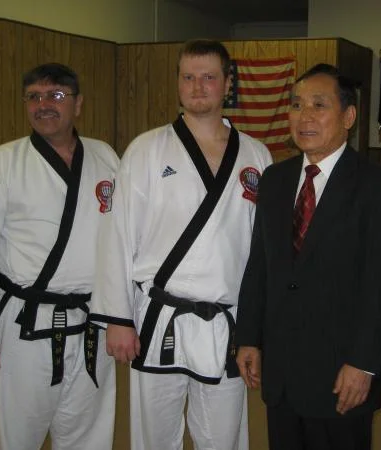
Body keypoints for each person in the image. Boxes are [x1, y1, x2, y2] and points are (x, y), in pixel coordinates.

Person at [90, 39, 272, 450]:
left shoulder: (257, 157)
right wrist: (117, 318)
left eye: (209, 77)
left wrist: (256, 332)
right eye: (188, 77)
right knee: (154, 438)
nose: (198, 86)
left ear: (228, 83)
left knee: (223, 438)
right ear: (177, 83)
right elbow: (117, 235)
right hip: (158, 316)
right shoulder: (147, 149)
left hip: (225, 321)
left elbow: (264, 254)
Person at [235, 63, 381, 450]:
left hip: (341, 371)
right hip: (282, 368)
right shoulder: (276, 181)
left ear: (348, 116)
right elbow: (260, 265)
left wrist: (364, 362)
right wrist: (248, 336)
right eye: (296, 105)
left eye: (319, 104)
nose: (305, 116)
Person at [0, 63, 118, 450]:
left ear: (78, 104)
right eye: (34, 97)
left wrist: (123, 316)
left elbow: (122, 244)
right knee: (18, 437)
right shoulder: (4, 162)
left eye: (56, 95)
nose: (44, 105)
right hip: (24, 327)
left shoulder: (105, 157)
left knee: (89, 435)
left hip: (92, 321)